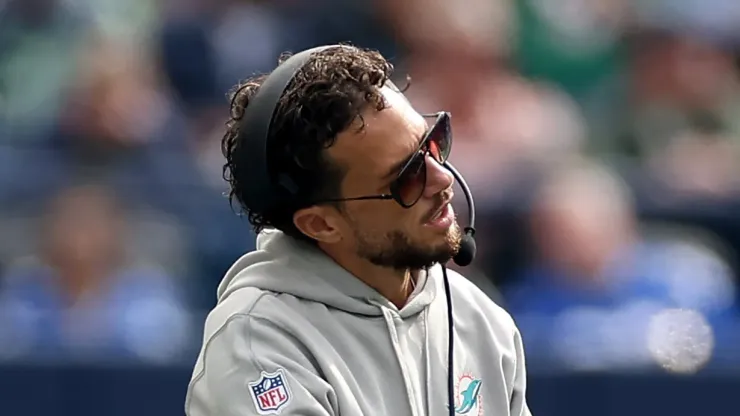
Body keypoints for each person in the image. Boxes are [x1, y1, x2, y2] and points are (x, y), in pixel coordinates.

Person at [185, 45, 532, 416]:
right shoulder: (255, 344)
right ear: (321, 224)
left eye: (433, 143)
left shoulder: (480, 319)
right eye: (407, 177)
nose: (442, 177)